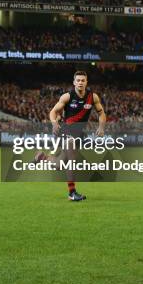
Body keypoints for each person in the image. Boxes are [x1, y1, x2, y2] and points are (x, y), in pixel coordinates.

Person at [49, 71, 106, 201]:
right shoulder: (67, 97)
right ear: (74, 82)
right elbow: (53, 112)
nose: (80, 82)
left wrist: (101, 127)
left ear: (86, 82)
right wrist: (54, 123)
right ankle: (72, 192)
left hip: (79, 134)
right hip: (66, 131)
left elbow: (101, 114)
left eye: (83, 80)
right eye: (78, 80)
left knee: (58, 165)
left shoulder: (93, 97)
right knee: (72, 160)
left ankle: (41, 157)